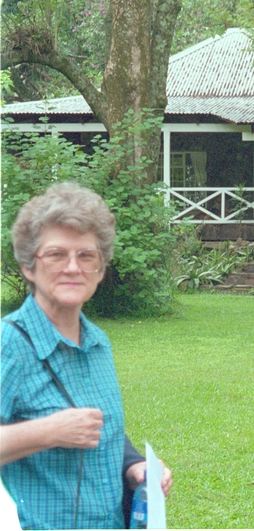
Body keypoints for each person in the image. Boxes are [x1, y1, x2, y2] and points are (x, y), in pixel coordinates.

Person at [1, 182, 173, 529]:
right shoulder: (8, 343)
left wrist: (133, 466)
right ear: (28, 267)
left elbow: (97, 428)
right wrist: (48, 431)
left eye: (86, 256)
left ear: (100, 269)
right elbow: (67, 427)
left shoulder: (98, 343)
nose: (72, 267)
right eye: (56, 254)